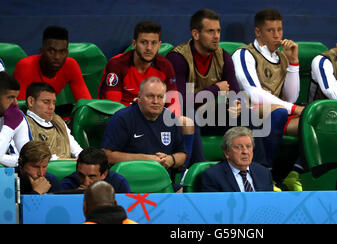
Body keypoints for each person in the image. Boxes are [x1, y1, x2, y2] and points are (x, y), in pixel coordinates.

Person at [98, 21, 195, 167]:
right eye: (144, 42)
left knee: (187, 122)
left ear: (159, 45)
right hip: (127, 117)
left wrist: (163, 121)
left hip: (153, 114)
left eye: (154, 43)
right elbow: (113, 106)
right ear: (134, 43)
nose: (149, 48)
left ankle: (183, 171)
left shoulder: (165, 65)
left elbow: (174, 103)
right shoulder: (117, 64)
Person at [231, 9, 303, 189]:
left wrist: (293, 61)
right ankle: (266, 178)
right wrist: (293, 109)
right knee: (278, 113)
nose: (277, 35)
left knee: (314, 120)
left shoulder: (281, 57)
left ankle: (293, 173)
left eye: (279, 29)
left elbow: (291, 96)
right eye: (271, 30)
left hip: (278, 110)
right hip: (249, 113)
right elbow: (253, 95)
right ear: (258, 32)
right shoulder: (244, 54)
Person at [166, 8, 242, 137]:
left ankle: (256, 158)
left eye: (218, 31)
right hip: (184, 117)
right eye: (210, 31)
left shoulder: (223, 57)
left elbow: (235, 93)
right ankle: (197, 158)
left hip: (210, 115)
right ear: (196, 34)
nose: (216, 36)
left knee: (249, 115)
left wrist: (238, 105)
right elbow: (179, 101)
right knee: (191, 114)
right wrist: (216, 89)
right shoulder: (178, 58)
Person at [102, 76, 186, 192]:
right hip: (129, 182)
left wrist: (170, 159)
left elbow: (182, 154)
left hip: (161, 182)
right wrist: (148, 160)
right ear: (139, 97)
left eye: (160, 97)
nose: (156, 101)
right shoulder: (123, 118)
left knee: (182, 192)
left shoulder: (170, 118)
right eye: (150, 96)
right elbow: (107, 155)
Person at [13, 26, 91, 101]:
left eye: (62, 51)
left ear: (67, 53)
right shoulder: (26, 66)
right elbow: (19, 108)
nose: (57, 57)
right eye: (51, 51)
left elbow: (86, 103)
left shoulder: (71, 65)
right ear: (42, 51)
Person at [201, 127, 273, 192]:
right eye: (238, 147)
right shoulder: (213, 176)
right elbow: (215, 206)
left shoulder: (264, 173)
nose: (245, 151)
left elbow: (269, 203)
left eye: (248, 146)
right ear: (226, 152)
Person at [25, 82, 82, 160]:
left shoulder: (58, 121)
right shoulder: (24, 123)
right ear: (31, 101)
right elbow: (28, 155)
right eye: (46, 102)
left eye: (54, 103)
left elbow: (77, 151)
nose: (51, 107)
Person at [0, 71, 32, 167]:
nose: (16, 103)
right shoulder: (12, 120)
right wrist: (9, 127)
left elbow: (29, 158)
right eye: (11, 97)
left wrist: (0, 157)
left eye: (16, 98)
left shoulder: (16, 116)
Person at [61, 147, 130, 193]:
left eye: (92, 176)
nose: (86, 182)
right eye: (81, 175)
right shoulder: (68, 185)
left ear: (104, 174)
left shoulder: (118, 183)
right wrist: (76, 196)